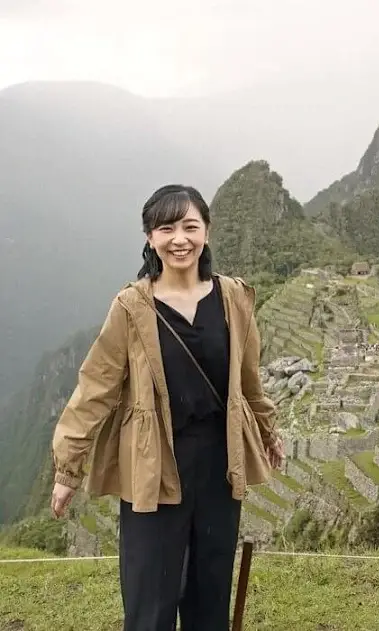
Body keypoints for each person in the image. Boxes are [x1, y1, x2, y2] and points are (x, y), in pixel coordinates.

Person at [50, 184, 285, 631]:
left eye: (190, 227)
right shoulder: (131, 307)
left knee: (209, 593)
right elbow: (95, 389)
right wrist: (67, 469)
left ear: (207, 232)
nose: (180, 239)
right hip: (151, 463)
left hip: (219, 464)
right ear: (149, 239)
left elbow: (249, 381)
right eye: (166, 228)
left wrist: (269, 431)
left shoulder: (233, 299)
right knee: (150, 599)